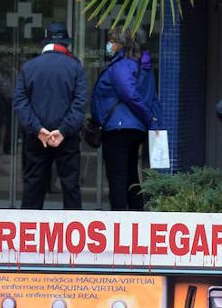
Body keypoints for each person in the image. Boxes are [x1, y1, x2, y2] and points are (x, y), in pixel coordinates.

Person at [12, 22, 88, 209]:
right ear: (66, 43)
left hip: (37, 137)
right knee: (70, 186)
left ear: (45, 42)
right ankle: (73, 226)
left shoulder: (29, 67)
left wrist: (38, 130)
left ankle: (29, 225)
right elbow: (80, 103)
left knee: (33, 185)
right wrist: (63, 131)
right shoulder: (75, 67)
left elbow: (20, 102)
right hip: (67, 138)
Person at [90, 28, 158, 210]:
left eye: (112, 41)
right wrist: (149, 120)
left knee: (118, 177)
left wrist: (148, 118)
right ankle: (135, 213)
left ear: (121, 43)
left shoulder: (122, 65)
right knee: (130, 175)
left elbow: (129, 93)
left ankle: (118, 216)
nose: (109, 45)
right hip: (133, 127)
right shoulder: (141, 64)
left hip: (119, 128)